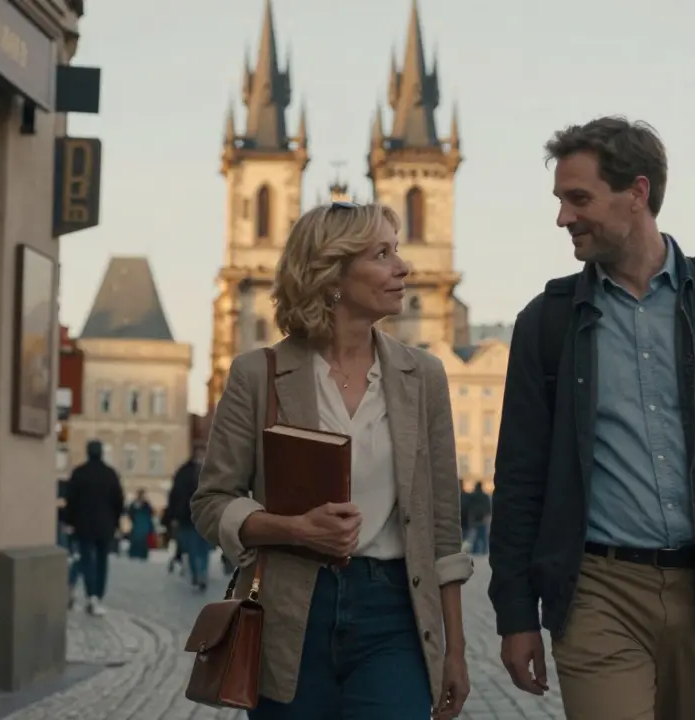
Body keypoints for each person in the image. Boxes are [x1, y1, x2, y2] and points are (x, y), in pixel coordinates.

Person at [488, 116, 695, 720]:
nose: (563, 218)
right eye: (561, 201)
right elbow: (521, 477)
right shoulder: (547, 323)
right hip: (597, 588)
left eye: (579, 199)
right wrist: (516, 614)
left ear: (638, 193)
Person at [191, 201, 473, 719]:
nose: (402, 267)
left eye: (398, 251)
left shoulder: (423, 376)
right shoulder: (257, 374)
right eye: (382, 254)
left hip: (394, 610)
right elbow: (212, 503)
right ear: (333, 273)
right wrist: (293, 529)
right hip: (291, 612)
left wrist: (454, 650)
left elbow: (443, 527)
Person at [64, 439, 125, 616]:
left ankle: (89, 593)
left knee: (86, 559)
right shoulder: (110, 474)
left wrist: (70, 522)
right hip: (105, 525)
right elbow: (119, 501)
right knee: (101, 561)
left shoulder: (79, 473)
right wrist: (116, 521)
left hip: (83, 525)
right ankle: (97, 595)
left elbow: (70, 500)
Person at [166, 442, 212, 590]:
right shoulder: (185, 471)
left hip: (205, 515)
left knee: (203, 548)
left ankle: (202, 574)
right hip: (189, 516)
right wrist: (174, 514)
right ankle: (197, 574)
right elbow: (175, 495)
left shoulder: (211, 470)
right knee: (193, 548)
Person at [126, 490, 155, 560]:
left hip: (143, 525)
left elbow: (151, 513)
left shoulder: (146, 504)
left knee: (142, 540)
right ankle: (135, 553)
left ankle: (141, 554)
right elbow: (130, 513)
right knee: (137, 539)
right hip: (137, 525)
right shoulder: (134, 504)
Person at [464, 483, 491, 555]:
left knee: (475, 536)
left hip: (474, 519)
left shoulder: (473, 496)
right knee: (482, 536)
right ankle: (484, 551)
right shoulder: (484, 496)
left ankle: (475, 551)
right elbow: (488, 508)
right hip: (482, 519)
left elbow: (468, 507)